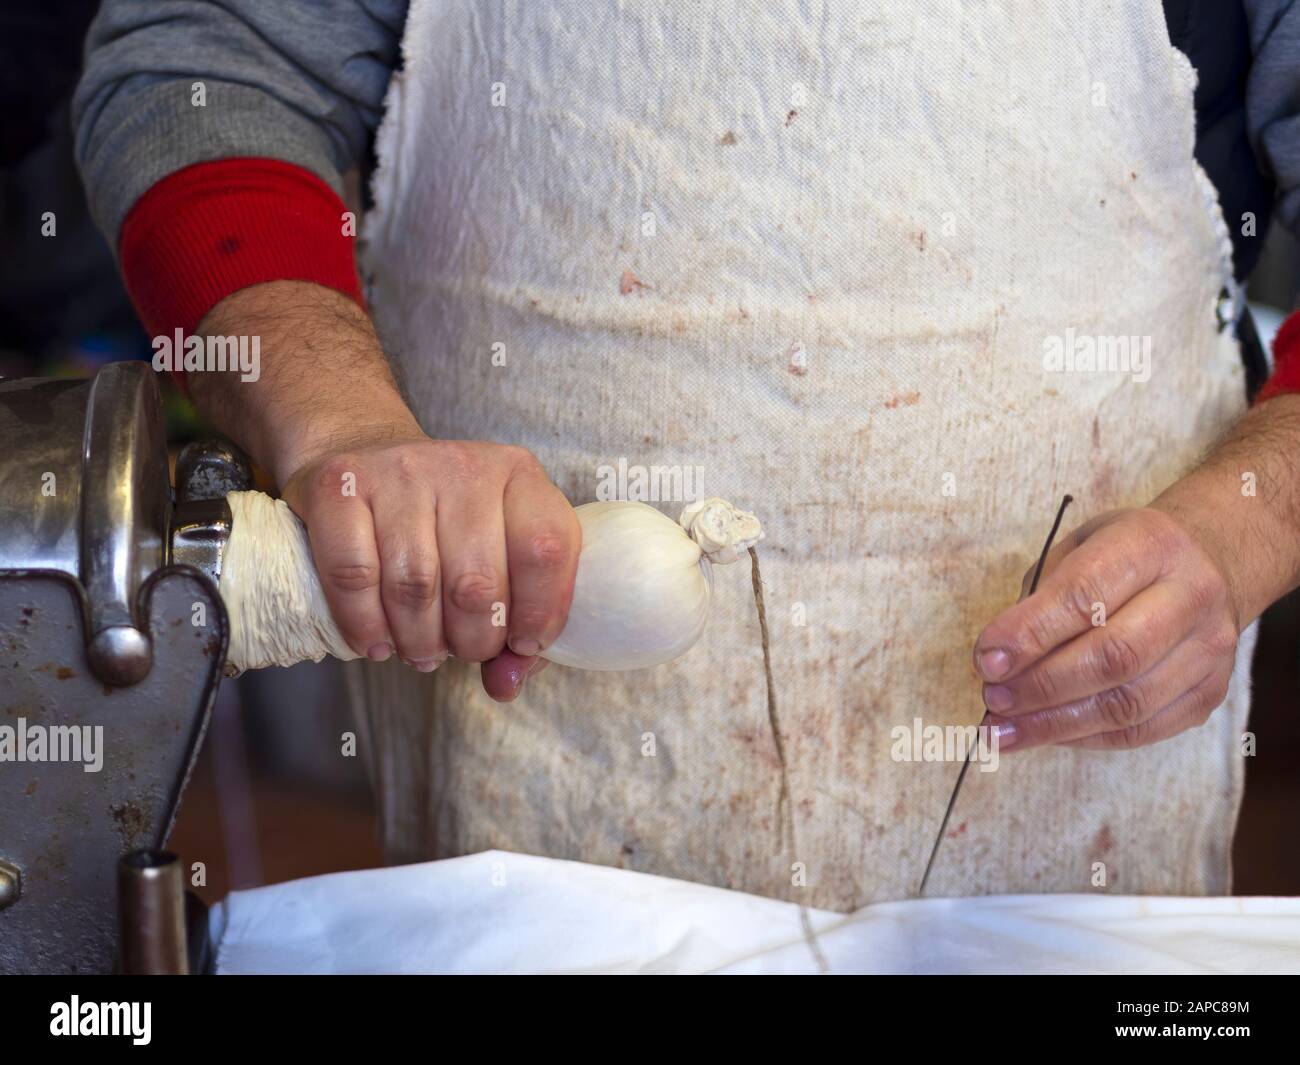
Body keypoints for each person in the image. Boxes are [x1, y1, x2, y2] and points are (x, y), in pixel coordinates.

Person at [74, 0, 1300, 910]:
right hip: (546, 803)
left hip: (1079, 813)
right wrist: (343, 429)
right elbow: (198, 69)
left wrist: (1240, 535)